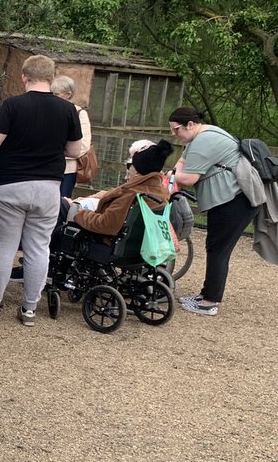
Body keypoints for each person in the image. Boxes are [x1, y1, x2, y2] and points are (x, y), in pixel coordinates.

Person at [0, 54, 84, 327]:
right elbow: (75, 150)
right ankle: (28, 310)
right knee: (39, 247)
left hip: (10, 184)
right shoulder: (68, 110)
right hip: (49, 186)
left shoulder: (12, 105)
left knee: (3, 248)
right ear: (51, 78)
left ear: (24, 77)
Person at [168, 107, 261, 316]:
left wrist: (168, 176)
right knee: (214, 246)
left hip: (235, 201)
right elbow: (181, 164)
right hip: (228, 200)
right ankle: (206, 293)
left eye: (176, 130)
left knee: (219, 249)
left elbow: (189, 178)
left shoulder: (204, 140)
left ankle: (210, 302)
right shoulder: (198, 138)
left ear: (190, 125)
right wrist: (174, 173)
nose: (174, 134)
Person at [62, 140, 173, 241]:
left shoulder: (130, 195)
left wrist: (81, 212)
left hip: (103, 241)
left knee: (62, 206)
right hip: (134, 244)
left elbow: (106, 225)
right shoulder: (160, 193)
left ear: (136, 171)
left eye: (131, 165)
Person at [52, 75, 92, 198]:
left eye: (56, 94)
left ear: (68, 95)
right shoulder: (50, 111)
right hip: (48, 167)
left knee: (62, 202)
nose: (52, 97)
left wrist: (59, 152)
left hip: (67, 170)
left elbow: (84, 145)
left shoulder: (80, 113)